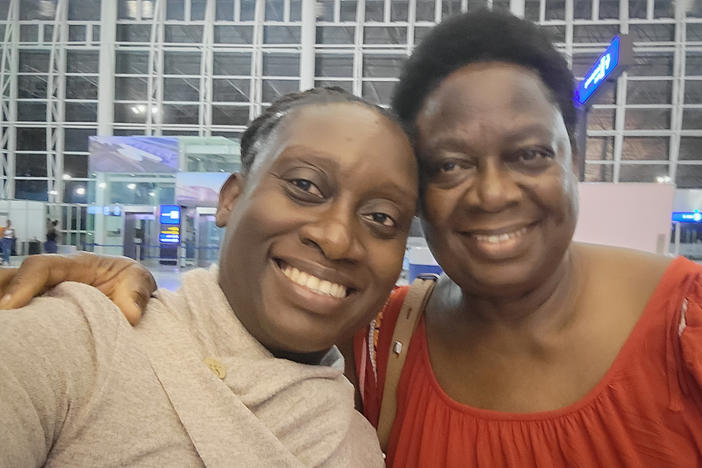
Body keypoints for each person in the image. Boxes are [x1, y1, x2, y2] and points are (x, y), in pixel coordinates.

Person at [4, 10, 702, 467]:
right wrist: (96, 291)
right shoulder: (380, 341)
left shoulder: (685, 325)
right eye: (452, 164)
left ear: (575, 163)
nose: (492, 193)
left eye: (529, 154)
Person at [0, 87, 418, 466]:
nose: (337, 239)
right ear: (231, 200)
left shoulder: (357, 445)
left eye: (381, 216)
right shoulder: (78, 340)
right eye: (305, 186)